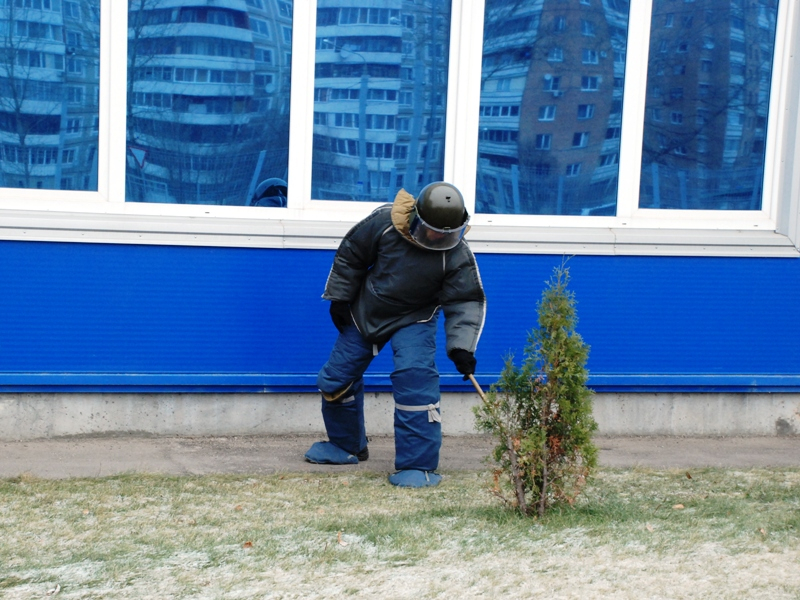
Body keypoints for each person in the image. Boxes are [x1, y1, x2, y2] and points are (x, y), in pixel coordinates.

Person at [304, 182, 486, 488]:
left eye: (448, 234)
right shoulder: (384, 224)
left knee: (416, 381)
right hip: (368, 312)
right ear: (416, 217)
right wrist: (340, 298)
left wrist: (461, 348)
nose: (440, 238)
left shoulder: (456, 254)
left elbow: (465, 300)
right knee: (336, 379)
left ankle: (417, 465)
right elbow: (352, 255)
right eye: (433, 231)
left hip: (416, 317)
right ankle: (346, 446)